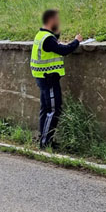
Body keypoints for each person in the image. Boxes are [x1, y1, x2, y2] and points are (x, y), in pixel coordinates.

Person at [30, 9, 82, 149]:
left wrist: (58, 36)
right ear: (51, 21)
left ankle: (43, 139)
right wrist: (76, 41)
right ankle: (45, 143)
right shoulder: (47, 39)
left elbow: (55, 44)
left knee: (45, 109)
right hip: (49, 78)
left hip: (43, 78)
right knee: (53, 110)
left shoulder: (41, 35)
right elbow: (64, 51)